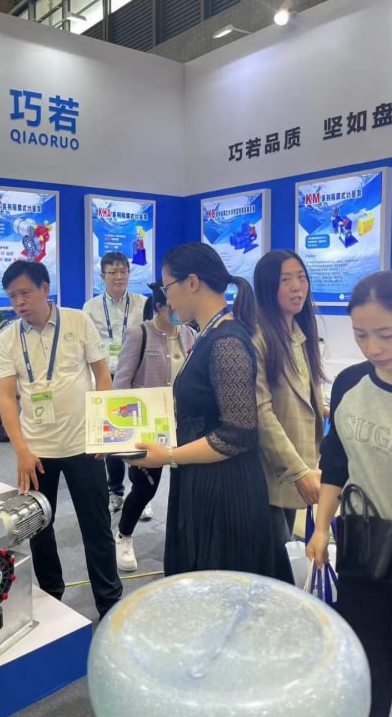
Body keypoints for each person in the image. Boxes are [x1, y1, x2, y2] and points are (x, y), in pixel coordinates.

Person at [130, 242, 273, 577]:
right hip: (202, 481)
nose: (167, 299)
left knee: (217, 586)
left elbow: (237, 435)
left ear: (192, 282)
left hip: (223, 493)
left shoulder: (226, 341)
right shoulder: (208, 334)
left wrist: (168, 456)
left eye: (167, 287)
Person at [0, 260, 122, 619]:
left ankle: (109, 603)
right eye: (12, 296)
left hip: (84, 446)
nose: (19, 302)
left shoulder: (78, 322)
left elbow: (102, 376)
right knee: (38, 527)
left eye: (24, 292)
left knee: (96, 527)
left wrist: (102, 433)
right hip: (36, 452)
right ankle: (52, 594)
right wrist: (21, 451)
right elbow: (7, 398)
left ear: (44, 289)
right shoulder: (8, 338)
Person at [307, 270, 392, 717]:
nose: (373, 348)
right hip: (364, 540)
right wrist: (321, 527)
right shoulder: (350, 383)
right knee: (368, 655)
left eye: (386, 334)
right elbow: (336, 461)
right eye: (361, 335)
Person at [112, 282, 196, 572]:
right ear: (159, 307)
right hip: (148, 427)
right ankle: (124, 535)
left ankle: (181, 542)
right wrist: (124, 436)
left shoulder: (190, 335)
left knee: (185, 487)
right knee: (145, 489)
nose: (178, 311)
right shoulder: (140, 334)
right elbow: (121, 384)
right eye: (171, 306)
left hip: (184, 426)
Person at [253, 250, 325, 583]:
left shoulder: (299, 333)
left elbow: (302, 396)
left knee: (286, 556)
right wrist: (298, 470)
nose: (298, 286)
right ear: (268, 286)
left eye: (301, 277)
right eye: (286, 280)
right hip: (271, 471)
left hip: (299, 465)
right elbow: (262, 413)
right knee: (277, 566)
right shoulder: (258, 337)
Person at [83, 252, 147, 514]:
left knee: (139, 435)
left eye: (123, 271)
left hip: (136, 376)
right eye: (113, 272)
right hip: (106, 377)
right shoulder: (90, 308)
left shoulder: (143, 303)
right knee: (112, 436)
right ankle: (116, 491)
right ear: (103, 276)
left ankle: (141, 495)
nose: (119, 277)